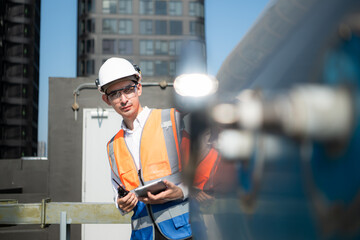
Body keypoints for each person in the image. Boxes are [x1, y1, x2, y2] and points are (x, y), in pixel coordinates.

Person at [96, 57, 192, 240]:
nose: (123, 99)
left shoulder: (171, 121)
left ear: (138, 88)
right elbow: (117, 192)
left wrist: (181, 192)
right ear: (106, 100)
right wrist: (121, 203)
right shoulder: (113, 146)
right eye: (115, 94)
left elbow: (205, 175)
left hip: (183, 232)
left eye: (128, 90)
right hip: (142, 235)